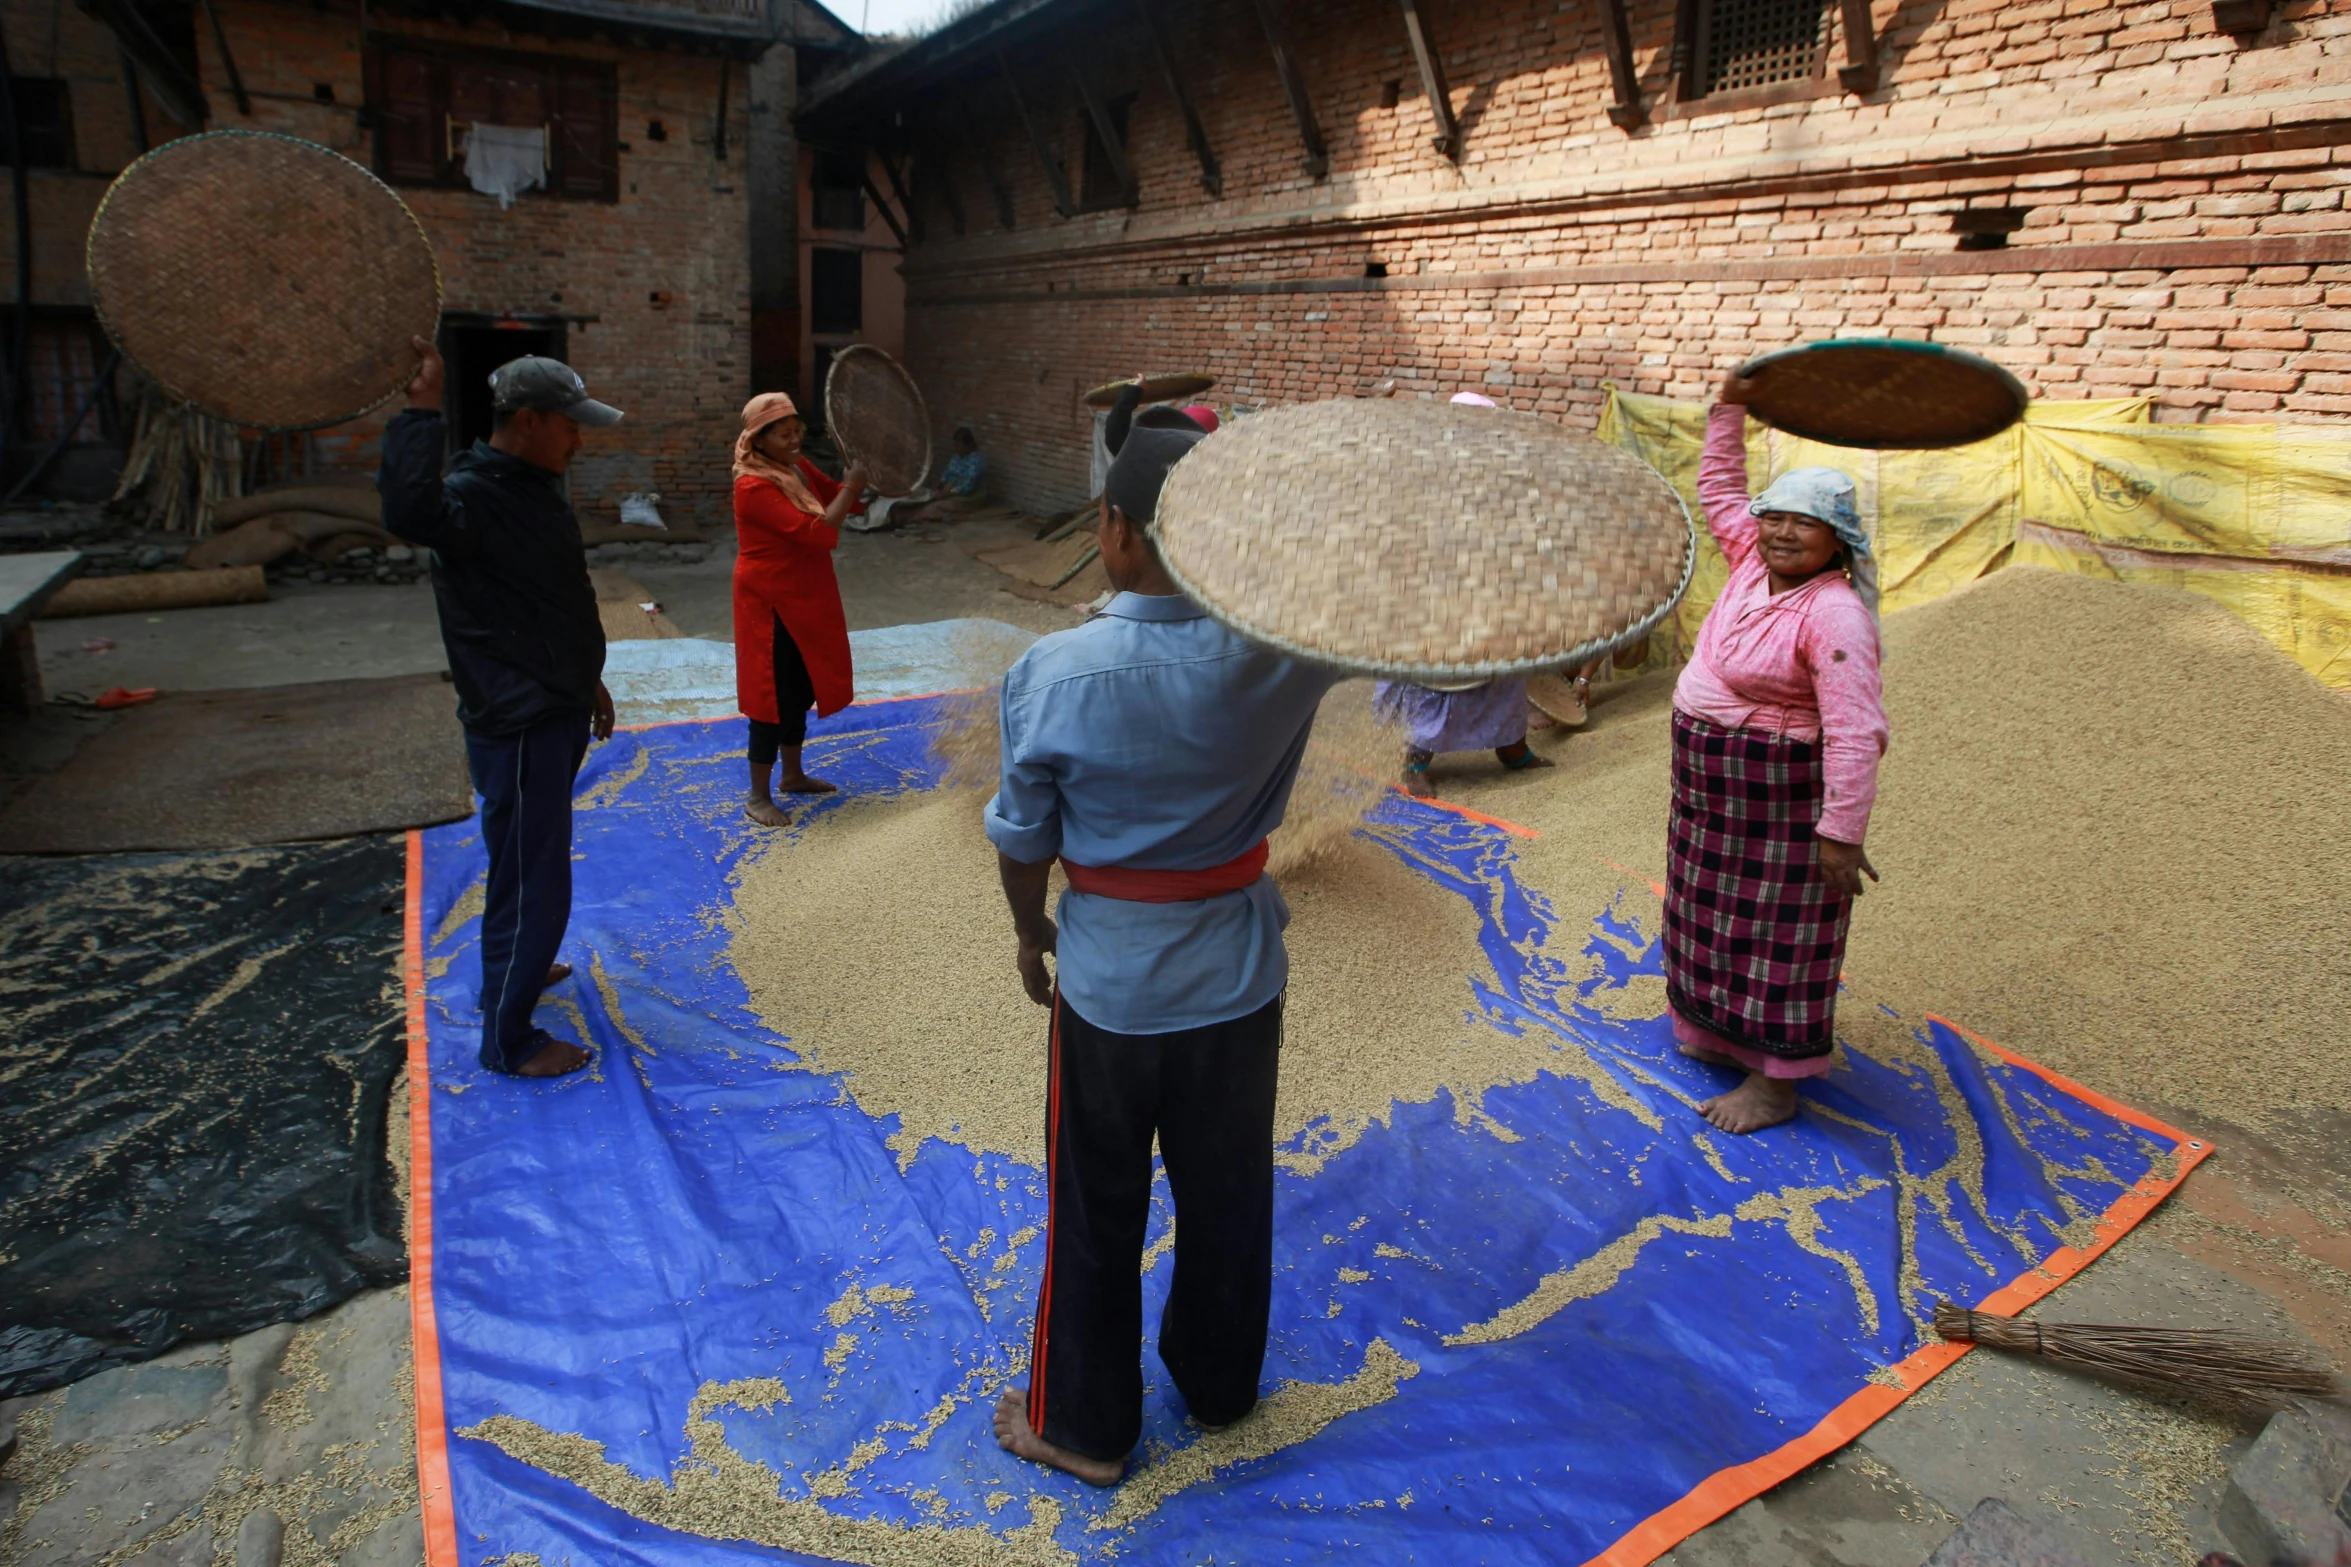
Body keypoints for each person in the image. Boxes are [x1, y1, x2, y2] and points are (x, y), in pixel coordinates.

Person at [985, 407, 1341, 1487]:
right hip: (1236, 976)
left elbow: (1024, 838)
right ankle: (1221, 1385)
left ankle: (1086, 1430)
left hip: (1112, 985)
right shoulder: (1288, 658)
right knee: (1227, 1187)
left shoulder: (1054, 669)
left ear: (1115, 527)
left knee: (1096, 1201)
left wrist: (1027, 929)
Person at [380, 340, 621, 1080]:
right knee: (531, 874)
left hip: (553, 698)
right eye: (569, 424)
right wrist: (419, 413)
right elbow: (409, 509)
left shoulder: (528, 483)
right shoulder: (473, 494)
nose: (579, 438)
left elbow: (554, 598)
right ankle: (508, 1039)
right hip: (519, 716)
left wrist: (589, 679)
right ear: (526, 420)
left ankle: (518, 968)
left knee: (527, 862)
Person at [1664, 370, 1888, 1134]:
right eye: (1776, 517)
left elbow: (1858, 729)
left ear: (1838, 541)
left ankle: (1773, 1083)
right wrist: (1728, 405)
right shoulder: (1750, 558)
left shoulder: (1834, 616)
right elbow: (1721, 487)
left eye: (1806, 524)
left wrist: (1839, 832)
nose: (1783, 532)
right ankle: (1716, 1030)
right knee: (1705, 908)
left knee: (1776, 928)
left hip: (1778, 790)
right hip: (1709, 783)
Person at [1371, 393, 1555, 797]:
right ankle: (1414, 759)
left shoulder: (1499, 474)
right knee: (1437, 675)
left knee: (1500, 671)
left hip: (1488, 588)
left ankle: (1512, 748)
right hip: (1435, 591)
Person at [731, 392, 867, 826]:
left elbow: (845, 502)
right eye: (783, 434)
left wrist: (858, 482)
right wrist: (852, 486)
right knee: (771, 693)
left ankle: (792, 775)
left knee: (802, 683)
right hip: (770, 598)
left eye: (796, 432)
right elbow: (816, 531)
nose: (793, 441)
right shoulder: (752, 485)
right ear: (759, 439)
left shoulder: (794, 469)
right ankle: (757, 796)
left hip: (806, 591)